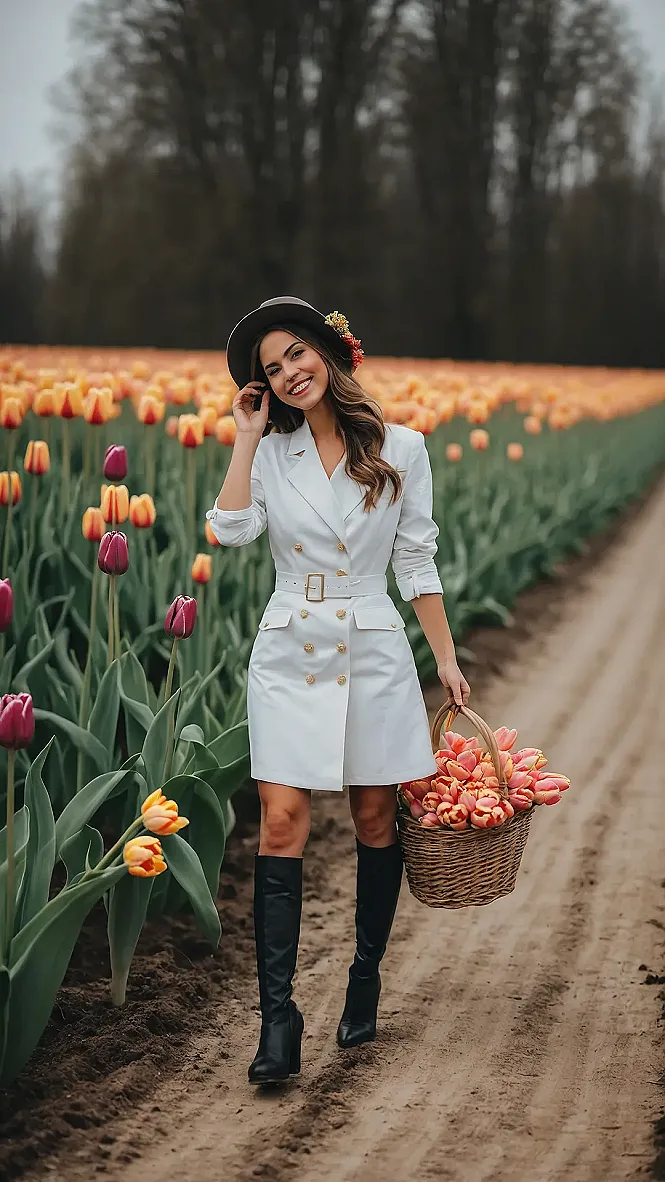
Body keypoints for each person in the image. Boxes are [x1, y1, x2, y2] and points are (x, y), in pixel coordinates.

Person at [206, 296, 470, 1086]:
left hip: (373, 641)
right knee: (281, 820)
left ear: (327, 350)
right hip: (289, 645)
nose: (288, 374)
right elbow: (228, 531)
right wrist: (246, 439)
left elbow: (415, 562)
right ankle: (277, 1020)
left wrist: (446, 659)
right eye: (270, 369)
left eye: (295, 354)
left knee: (372, 816)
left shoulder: (403, 448)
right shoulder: (271, 449)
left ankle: (363, 974)